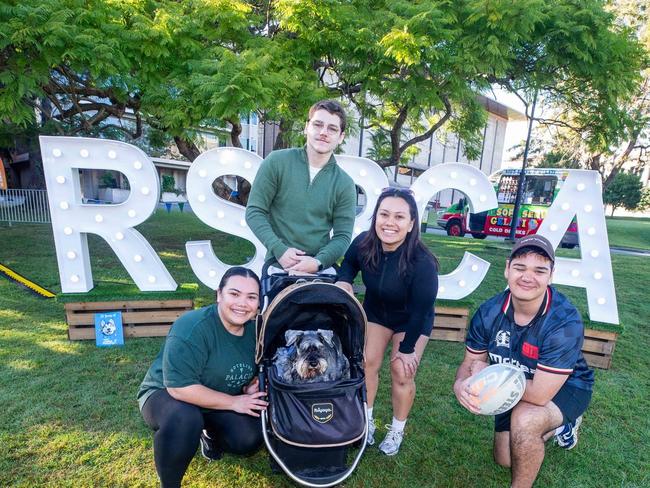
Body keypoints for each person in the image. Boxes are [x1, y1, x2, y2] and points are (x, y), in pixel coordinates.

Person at [453, 234, 594, 488]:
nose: (528, 277)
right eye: (520, 267)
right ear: (507, 269)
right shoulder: (489, 312)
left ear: (551, 275)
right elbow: (470, 362)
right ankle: (562, 428)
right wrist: (461, 383)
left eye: (539, 270)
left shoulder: (564, 320)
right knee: (505, 458)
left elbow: (539, 395)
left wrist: (490, 372)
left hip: (568, 387)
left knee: (526, 419)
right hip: (515, 382)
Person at [137, 267, 267, 488]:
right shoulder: (192, 326)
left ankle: (208, 434)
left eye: (251, 297)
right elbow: (180, 388)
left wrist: (248, 388)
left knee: (248, 437)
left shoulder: (257, 332)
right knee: (185, 419)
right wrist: (235, 402)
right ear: (219, 295)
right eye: (234, 294)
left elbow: (247, 371)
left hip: (217, 397)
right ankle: (170, 484)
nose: (242, 303)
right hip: (168, 394)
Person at [336, 187, 439, 456]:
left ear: (411, 223)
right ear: (375, 217)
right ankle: (366, 422)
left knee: (402, 371)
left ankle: (397, 429)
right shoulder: (363, 243)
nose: (390, 223)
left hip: (412, 320)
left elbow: (421, 311)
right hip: (377, 313)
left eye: (399, 217)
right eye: (384, 214)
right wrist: (344, 281)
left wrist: (407, 349)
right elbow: (348, 264)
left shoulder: (423, 262)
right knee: (366, 363)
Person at [245, 99, 357, 275]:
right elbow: (254, 211)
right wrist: (279, 249)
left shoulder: (345, 183)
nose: (323, 132)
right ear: (306, 127)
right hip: (277, 267)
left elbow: (342, 236)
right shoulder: (276, 162)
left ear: (341, 137)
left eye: (332, 129)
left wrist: (319, 261)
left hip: (320, 271)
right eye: (318, 124)